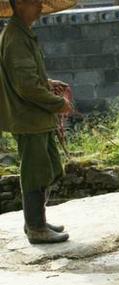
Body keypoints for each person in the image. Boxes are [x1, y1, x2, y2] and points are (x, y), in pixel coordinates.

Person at [0, 0, 76, 243]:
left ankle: (36, 220)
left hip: (35, 117)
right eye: (36, 4)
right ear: (21, 4)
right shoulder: (15, 37)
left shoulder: (22, 34)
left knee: (49, 167)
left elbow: (29, 77)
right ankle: (36, 227)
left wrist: (48, 82)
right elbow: (26, 86)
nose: (41, 9)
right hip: (28, 117)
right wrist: (57, 103)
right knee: (35, 171)